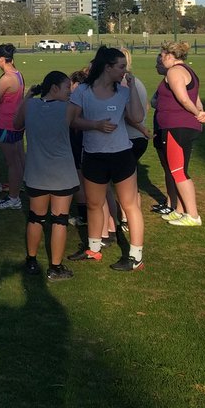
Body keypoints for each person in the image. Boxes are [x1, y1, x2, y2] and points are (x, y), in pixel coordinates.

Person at [67, 46, 146, 271]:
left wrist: (131, 88)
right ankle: (94, 248)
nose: (125, 71)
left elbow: (138, 116)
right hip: (94, 155)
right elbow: (71, 120)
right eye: (121, 67)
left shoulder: (123, 91)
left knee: (129, 205)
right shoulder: (83, 91)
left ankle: (135, 256)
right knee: (94, 204)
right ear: (107, 67)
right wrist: (95, 125)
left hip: (122, 155)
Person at [14, 71, 80, 280]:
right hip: (62, 173)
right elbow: (81, 120)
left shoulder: (29, 105)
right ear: (54, 88)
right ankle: (55, 267)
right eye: (67, 87)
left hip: (37, 171)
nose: (70, 91)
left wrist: (28, 96)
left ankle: (31, 261)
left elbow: (16, 123)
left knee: (35, 217)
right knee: (59, 220)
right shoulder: (69, 108)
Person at [153, 41, 205, 226]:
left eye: (162, 56)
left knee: (178, 171)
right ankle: (180, 210)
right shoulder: (189, 71)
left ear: (170, 56)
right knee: (179, 170)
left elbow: (184, 99)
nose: (160, 59)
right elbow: (197, 100)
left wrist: (198, 114)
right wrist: (200, 112)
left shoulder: (174, 72)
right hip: (181, 126)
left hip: (176, 127)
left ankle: (193, 216)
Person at [0, 44, 26, 210]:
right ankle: (16, 191)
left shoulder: (6, 79)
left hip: (7, 125)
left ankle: (14, 198)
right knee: (17, 160)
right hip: (16, 123)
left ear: (2, 59)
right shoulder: (18, 74)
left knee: (12, 163)